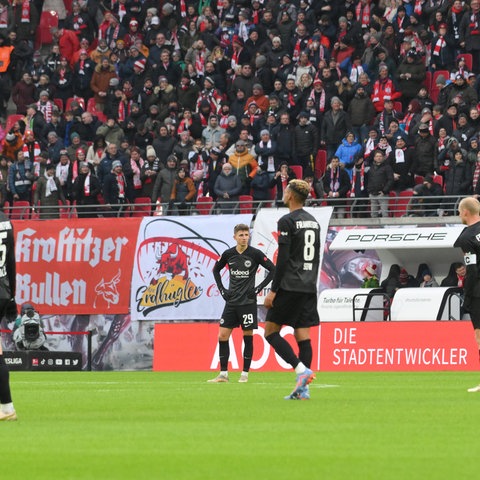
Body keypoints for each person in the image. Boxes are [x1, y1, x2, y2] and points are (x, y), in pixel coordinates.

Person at [264, 179, 320, 400]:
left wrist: (273, 290)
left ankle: (301, 370)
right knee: (302, 335)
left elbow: (284, 259)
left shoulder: (287, 221)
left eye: (286, 190)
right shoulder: (313, 221)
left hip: (289, 285)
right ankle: (302, 390)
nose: (284, 192)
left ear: (292, 196)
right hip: (308, 285)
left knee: (270, 332)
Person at [209, 223, 275, 383]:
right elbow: (215, 270)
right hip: (231, 302)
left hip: (247, 302)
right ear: (235, 237)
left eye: (246, 235)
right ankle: (223, 374)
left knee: (247, 336)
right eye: (241, 235)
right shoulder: (228, 254)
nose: (244, 238)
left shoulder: (255, 254)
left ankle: (245, 374)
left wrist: (259, 287)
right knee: (223, 335)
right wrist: (223, 290)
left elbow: (273, 269)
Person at [454, 197, 480, 392]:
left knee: (479, 334)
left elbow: (472, 270)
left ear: (465, 212)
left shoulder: (466, 237)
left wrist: (468, 296)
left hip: (478, 291)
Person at [0, 195, 18, 420]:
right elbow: (11, 262)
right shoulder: (6, 221)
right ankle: (6, 407)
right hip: (3, 290)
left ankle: (7, 407)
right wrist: (12, 297)